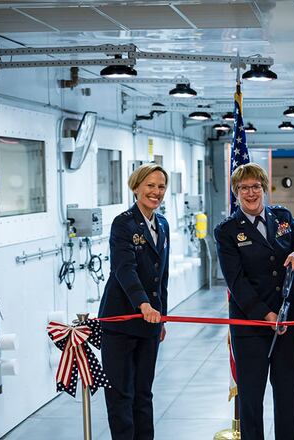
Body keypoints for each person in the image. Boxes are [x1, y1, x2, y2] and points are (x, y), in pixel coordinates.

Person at [214, 163, 294, 440]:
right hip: (250, 324)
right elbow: (235, 281)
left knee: (287, 394)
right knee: (251, 397)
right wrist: (265, 315)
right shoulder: (226, 231)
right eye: (244, 188)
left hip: (289, 317)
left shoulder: (281, 217)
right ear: (236, 192)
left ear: (264, 188)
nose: (251, 192)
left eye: (256, 186)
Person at [98, 163, 170, 440]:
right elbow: (123, 268)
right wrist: (143, 305)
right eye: (150, 185)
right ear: (137, 186)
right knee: (120, 394)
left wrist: (160, 315)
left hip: (150, 323)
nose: (156, 192)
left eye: (161, 186)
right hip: (121, 321)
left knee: (144, 393)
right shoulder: (123, 223)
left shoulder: (161, 223)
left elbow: (160, 276)